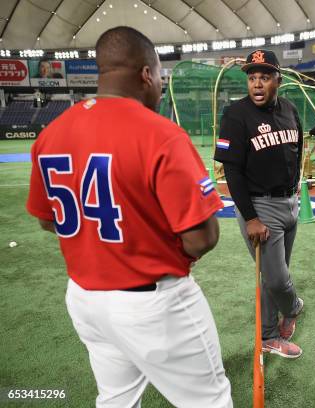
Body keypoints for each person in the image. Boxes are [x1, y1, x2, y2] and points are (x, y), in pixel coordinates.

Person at [26, 27, 232, 407]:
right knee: (209, 401)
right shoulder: (161, 134)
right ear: (145, 74)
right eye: (159, 76)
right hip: (153, 302)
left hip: (85, 300)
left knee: (116, 400)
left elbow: (46, 218)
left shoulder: (51, 133)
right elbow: (202, 237)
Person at [214, 49, 304, 358]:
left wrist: (295, 194)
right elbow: (231, 170)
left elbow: (297, 151)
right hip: (260, 206)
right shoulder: (236, 115)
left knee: (274, 275)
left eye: (264, 77)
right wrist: (251, 217)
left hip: (290, 201)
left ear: (278, 79)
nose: (256, 84)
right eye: (252, 78)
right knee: (277, 278)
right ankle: (292, 306)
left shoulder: (291, 110)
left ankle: (269, 336)